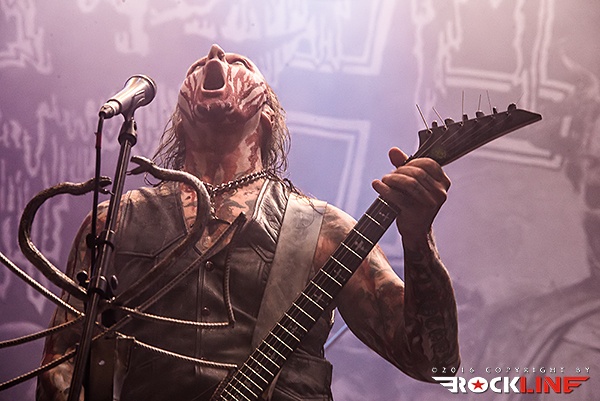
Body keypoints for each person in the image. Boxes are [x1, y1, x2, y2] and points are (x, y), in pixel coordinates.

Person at [37, 44, 460, 401]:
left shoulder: (324, 231)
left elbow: (433, 362)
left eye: (241, 64)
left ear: (268, 116)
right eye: (197, 65)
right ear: (179, 119)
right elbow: (61, 365)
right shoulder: (113, 223)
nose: (215, 55)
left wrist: (418, 239)